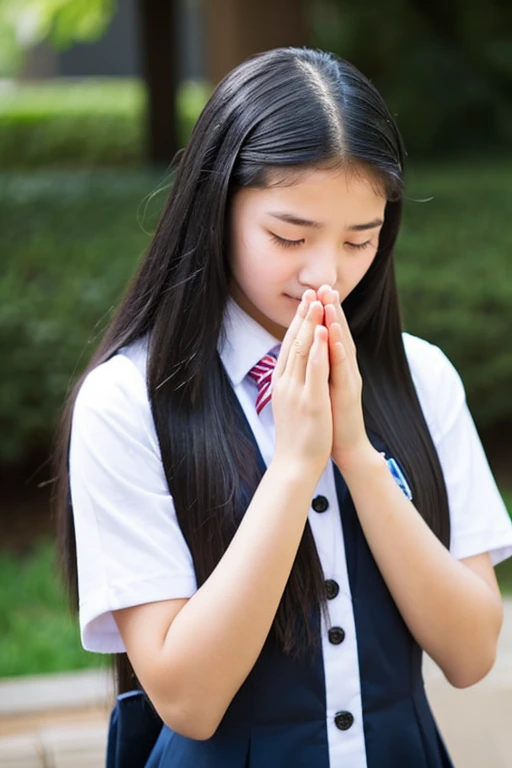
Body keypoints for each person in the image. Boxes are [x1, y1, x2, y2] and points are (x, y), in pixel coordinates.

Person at [55, 47, 512, 768]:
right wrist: (296, 465)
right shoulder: (128, 403)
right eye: (289, 237)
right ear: (215, 208)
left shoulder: (422, 376)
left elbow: (471, 651)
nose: (325, 275)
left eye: (361, 239)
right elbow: (189, 700)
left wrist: (357, 455)